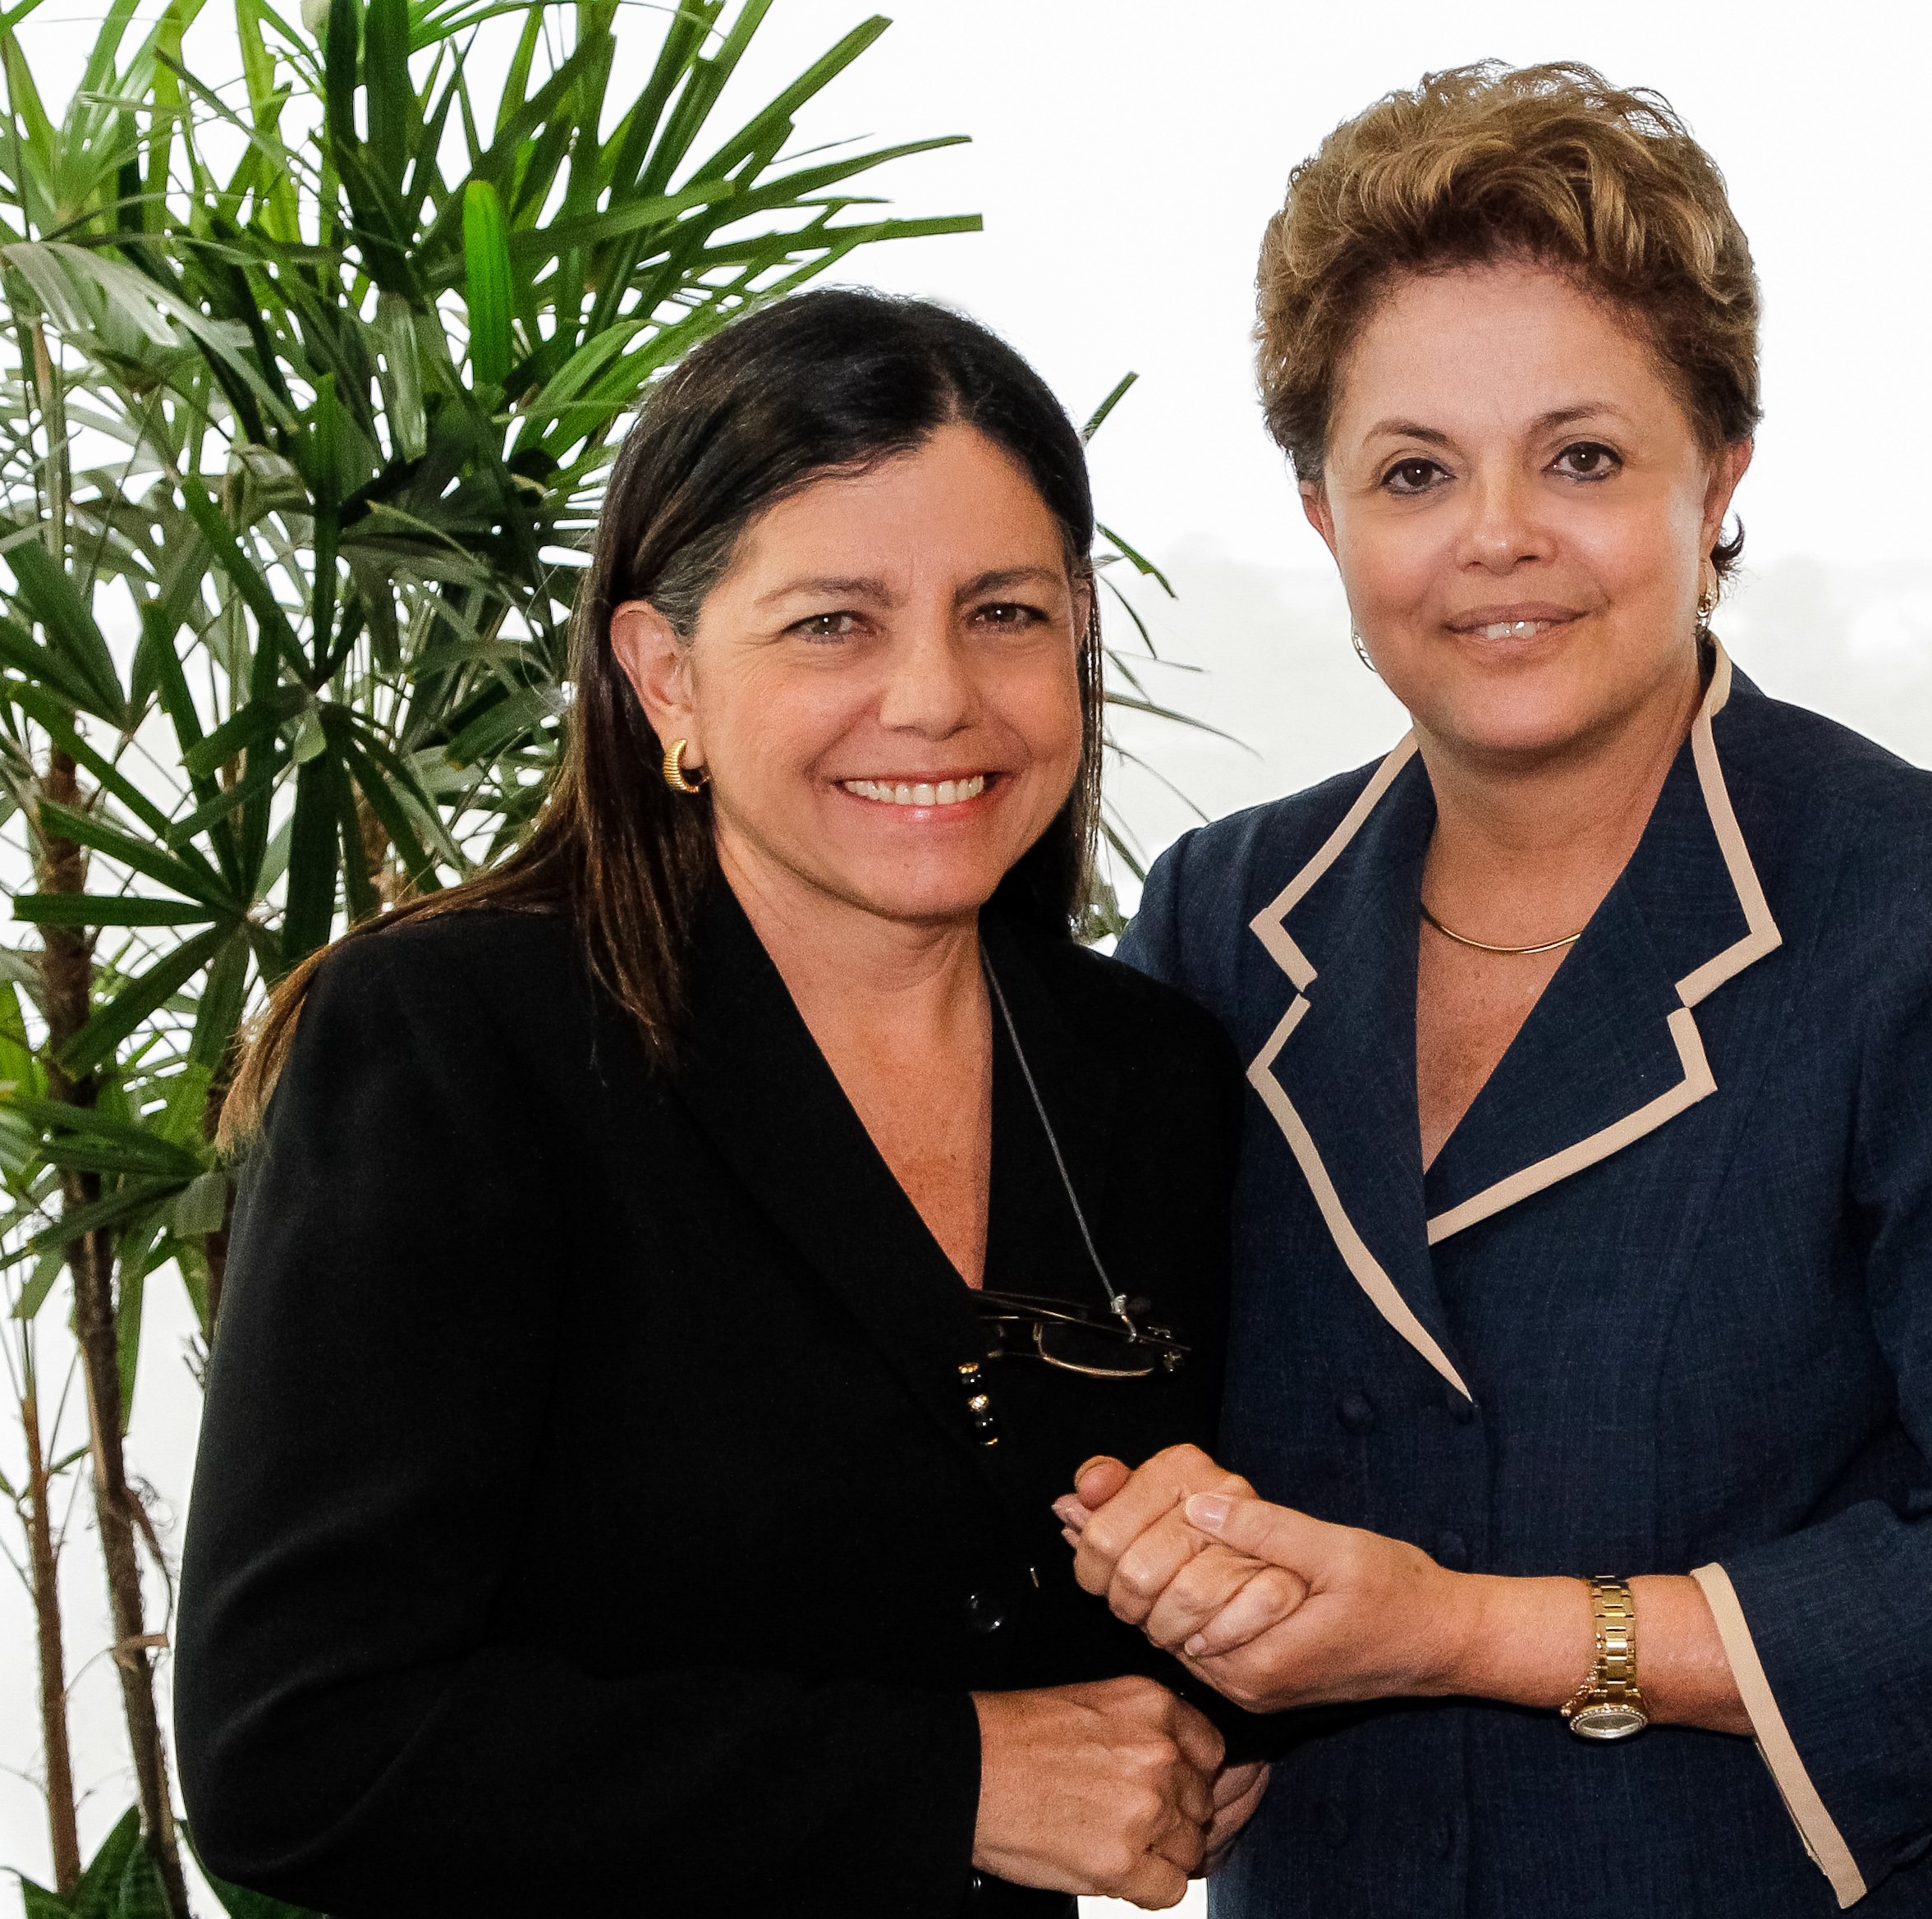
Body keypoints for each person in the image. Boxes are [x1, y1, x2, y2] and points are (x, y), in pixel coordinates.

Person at [1065, 62, 1932, 1917]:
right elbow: (1103, 1413)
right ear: (1325, 513)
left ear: (1717, 475)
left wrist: (1471, 1630)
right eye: (1415, 470)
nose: (1495, 535)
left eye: (1580, 456)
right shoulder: (1215, 914)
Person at [175, 289, 1263, 1917]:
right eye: (833, 621)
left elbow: (1138, 1698)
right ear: (663, 671)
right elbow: (298, 1748)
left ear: (1080, 630)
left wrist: (1227, 1629)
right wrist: (953, 1776)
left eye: (1003, 612)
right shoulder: (458, 1041)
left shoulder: (1149, 1071)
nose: (935, 696)